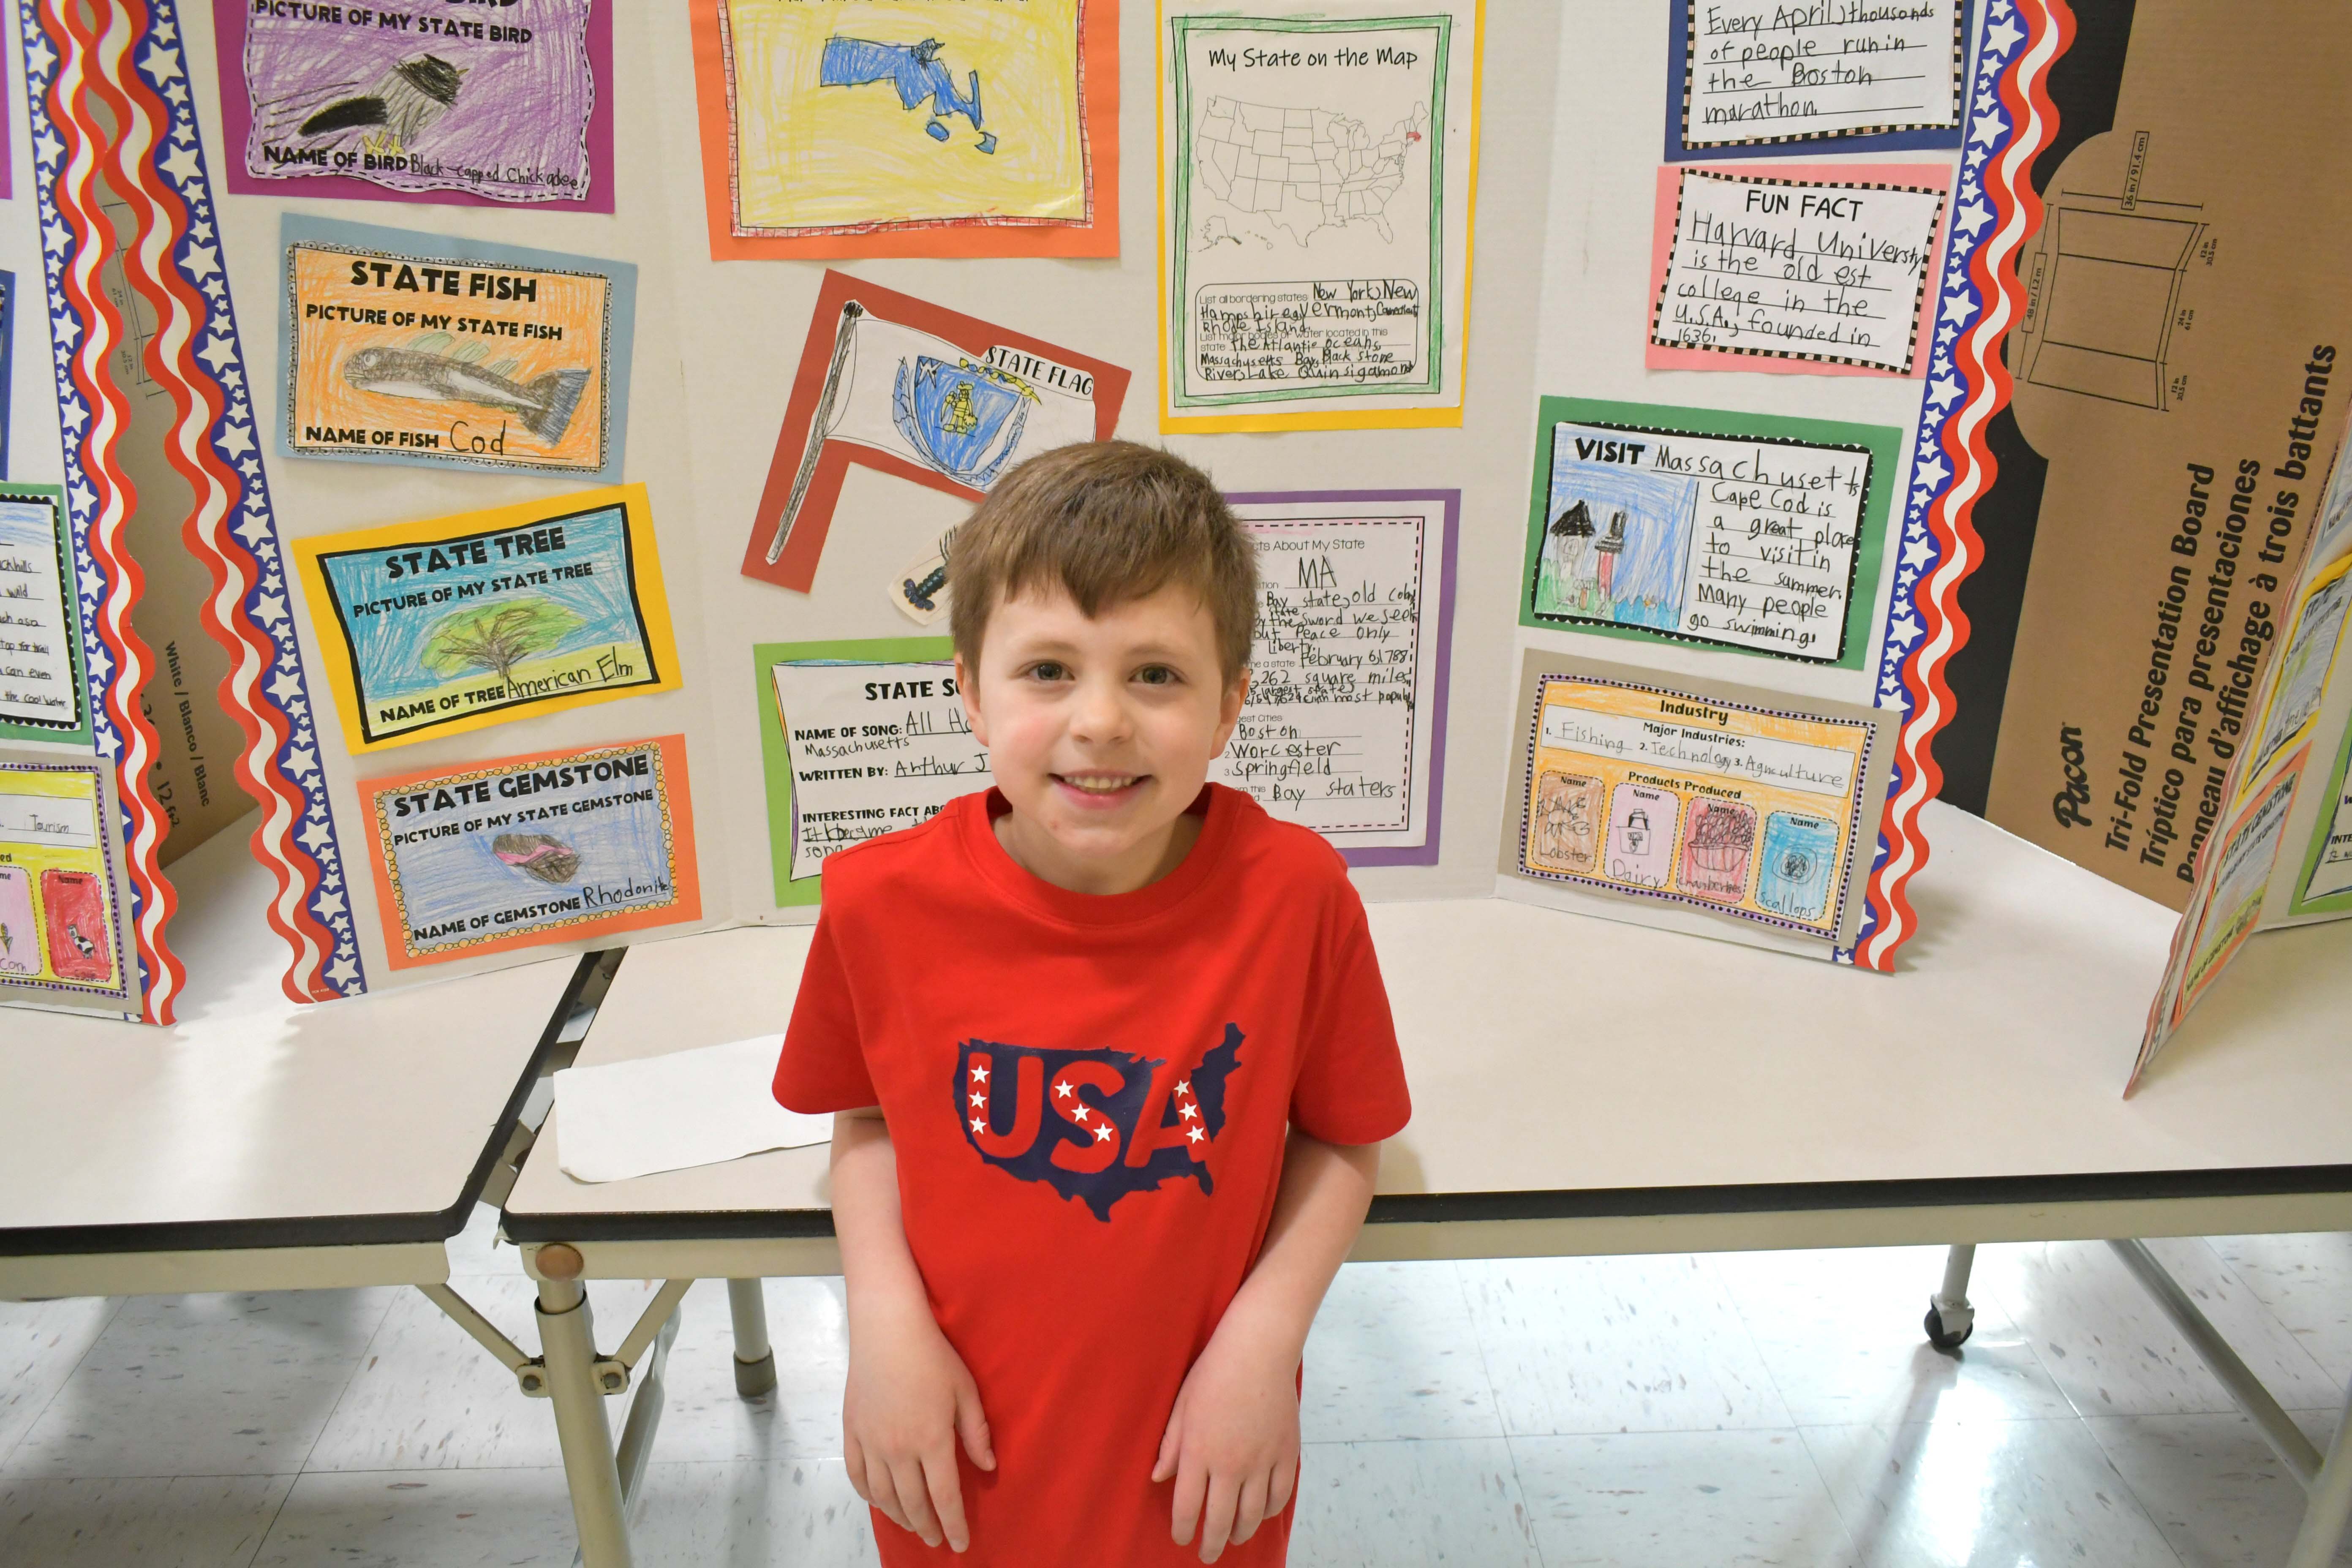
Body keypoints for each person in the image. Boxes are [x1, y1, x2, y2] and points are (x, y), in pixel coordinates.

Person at [773, 441, 1411, 1565]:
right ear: (969, 689)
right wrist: (882, 1329)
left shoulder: (1296, 898)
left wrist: (1263, 1347)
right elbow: (867, 1122)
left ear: (1229, 708)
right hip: (956, 1446)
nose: (1102, 721)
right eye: (1049, 670)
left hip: (1197, 1454)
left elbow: (1344, 1145)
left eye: (1156, 674)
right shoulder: (878, 903)